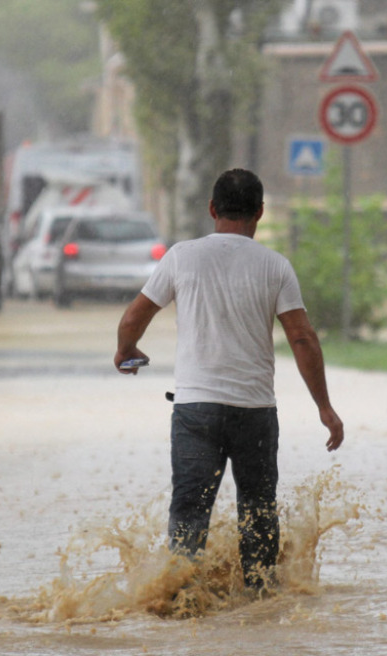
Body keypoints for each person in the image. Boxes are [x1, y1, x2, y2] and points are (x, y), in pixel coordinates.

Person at [114, 168, 344, 591]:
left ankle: (181, 601)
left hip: (195, 411)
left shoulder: (182, 256)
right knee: (258, 514)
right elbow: (302, 338)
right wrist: (324, 408)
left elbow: (134, 318)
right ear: (259, 212)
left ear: (211, 209)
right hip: (255, 413)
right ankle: (260, 603)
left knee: (188, 513)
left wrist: (126, 351)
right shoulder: (276, 267)